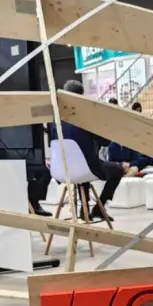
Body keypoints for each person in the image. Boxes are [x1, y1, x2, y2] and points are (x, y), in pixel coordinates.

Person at [47, 80, 123, 221]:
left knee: (82, 161)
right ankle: (99, 208)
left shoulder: (54, 119)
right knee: (117, 169)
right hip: (86, 168)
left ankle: (85, 208)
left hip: (61, 171)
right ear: (80, 97)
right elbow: (105, 142)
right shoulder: (86, 118)